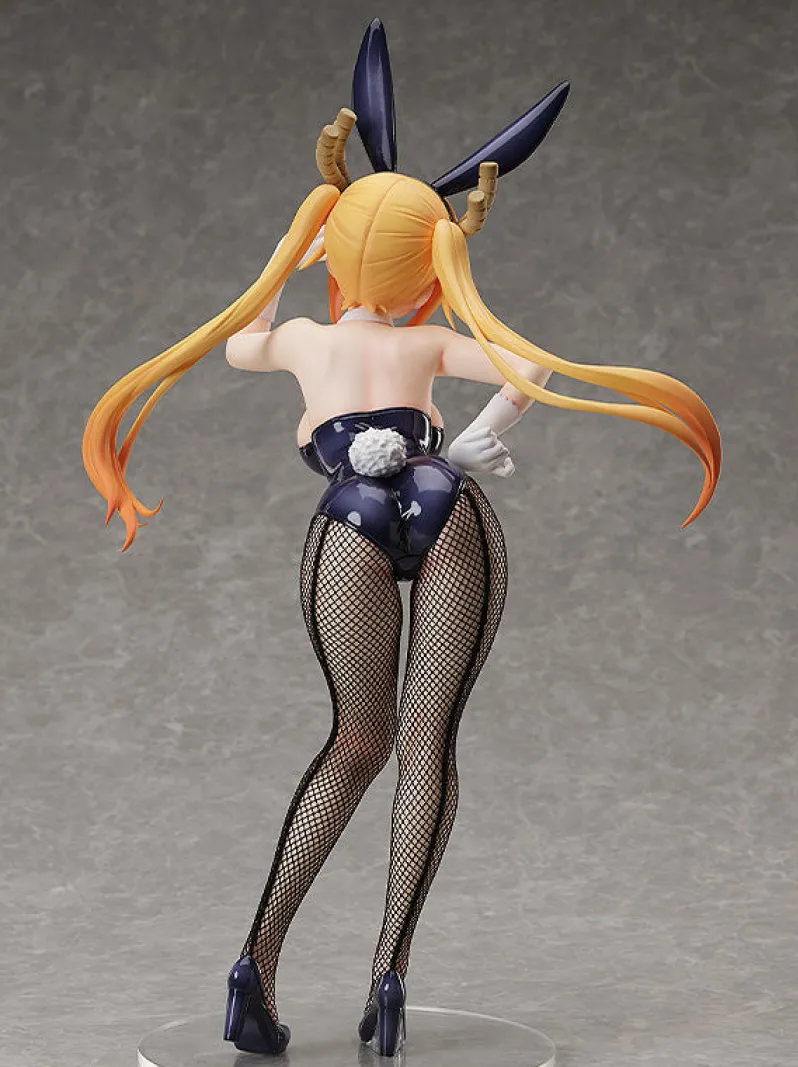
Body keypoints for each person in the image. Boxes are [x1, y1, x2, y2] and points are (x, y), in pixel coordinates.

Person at [81, 21, 721, 1060]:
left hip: (349, 519)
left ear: (335, 252)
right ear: (433, 264)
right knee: (427, 742)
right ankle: (389, 978)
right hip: (445, 501)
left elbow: (242, 340)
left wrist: (299, 245)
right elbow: (528, 368)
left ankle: (255, 963)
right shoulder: (431, 335)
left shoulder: (303, 339)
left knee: (354, 739)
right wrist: (466, 441)